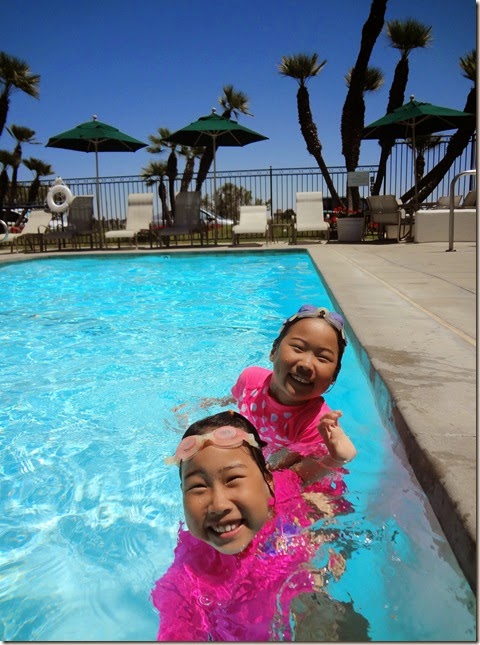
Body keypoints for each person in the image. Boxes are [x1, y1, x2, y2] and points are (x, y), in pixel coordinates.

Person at [152, 411, 366, 642]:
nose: (218, 505)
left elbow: (299, 477)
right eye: (197, 487)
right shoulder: (185, 583)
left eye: (233, 479)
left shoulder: (279, 490)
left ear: (267, 482)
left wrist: (336, 458)